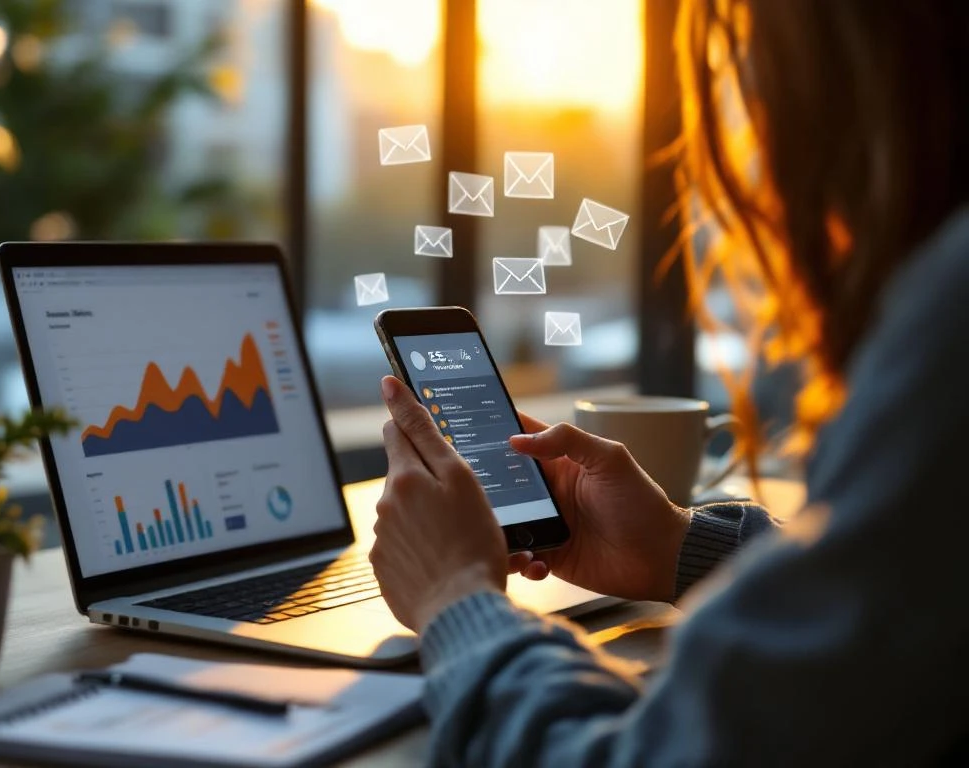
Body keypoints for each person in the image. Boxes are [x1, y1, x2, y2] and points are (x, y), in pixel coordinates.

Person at [369, 0, 969, 764]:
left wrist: (457, 600)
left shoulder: (953, 313)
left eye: (749, 54)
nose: (749, 109)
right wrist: (678, 547)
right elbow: (909, 598)